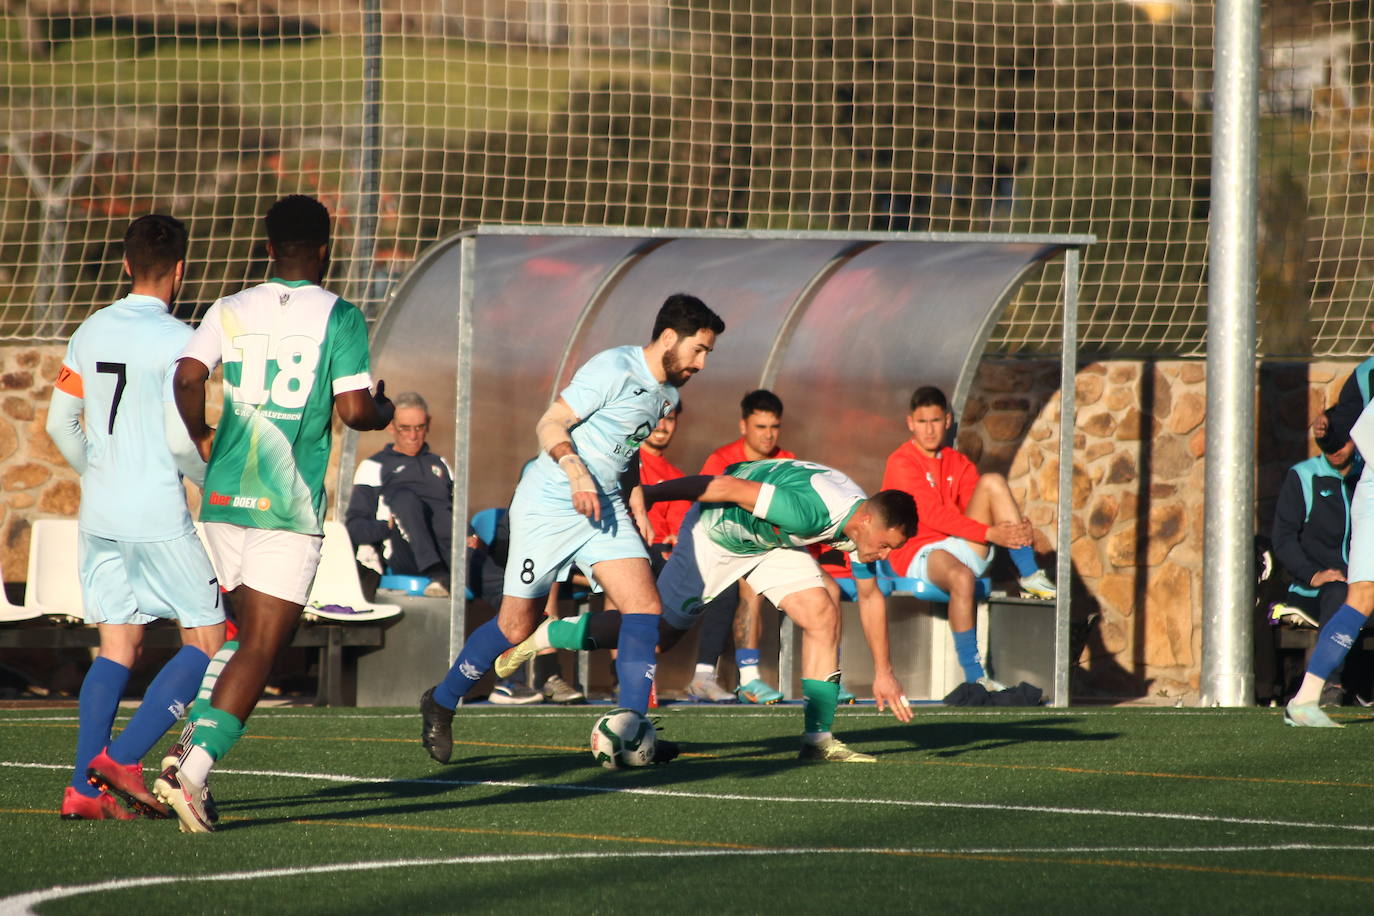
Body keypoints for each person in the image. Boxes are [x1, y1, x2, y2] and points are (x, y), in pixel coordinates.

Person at [156, 195, 394, 830]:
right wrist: (383, 410)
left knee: (241, 638)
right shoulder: (340, 315)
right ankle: (191, 773)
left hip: (223, 498)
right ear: (325, 251)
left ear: (267, 249)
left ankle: (185, 752)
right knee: (263, 646)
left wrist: (203, 434)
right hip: (284, 506)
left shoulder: (230, 307)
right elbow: (354, 411)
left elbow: (186, 377)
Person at [418, 293, 724, 765]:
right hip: (549, 504)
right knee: (516, 626)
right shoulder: (614, 368)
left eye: (707, 353)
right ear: (669, 337)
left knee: (645, 608)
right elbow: (551, 422)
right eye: (698, 349)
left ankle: (634, 729)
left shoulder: (668, 395)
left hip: (604, 508)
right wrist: (576, 471)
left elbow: (626, 451)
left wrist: (636, 497)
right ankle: (441, 702)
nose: (702, 363)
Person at [499, 458, 919, 761]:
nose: (884, 555)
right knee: (657, 636)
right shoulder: (811, 511)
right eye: (885, 545)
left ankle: (818, 741)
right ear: (867, 520)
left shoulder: (859, 526)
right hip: (716, 532)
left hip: (767, 543)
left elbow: (870, 597)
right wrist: (649, 494)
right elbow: (725, 487)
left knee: (823, 613)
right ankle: (547, 634)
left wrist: (883, 672)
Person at [46, 214, 230, 820]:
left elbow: (58, 424)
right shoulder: (182, 340)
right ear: (181, 269)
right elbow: (181, 442)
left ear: (126, 265)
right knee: (210, 639)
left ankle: (83, 791)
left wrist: (101, 474)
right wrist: (211, 484)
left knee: (117, 645)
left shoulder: (90, 329)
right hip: (155, 513)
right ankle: (123, 759)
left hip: (100, 511)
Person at [853, 385, 1055, 692]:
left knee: (993, 482)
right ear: (910, 423)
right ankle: (976, 677)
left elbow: (975, 507)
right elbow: (929, 515)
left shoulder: (957, 461)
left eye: (935, 421)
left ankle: (1029, 575)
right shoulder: (901, 461)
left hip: (959, 542)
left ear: (947, 420)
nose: (929, 429)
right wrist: (991, 533)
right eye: (922, 422)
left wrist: (1015, 529)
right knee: (961, 577)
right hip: (919, 551)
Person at [1284, 363, 1374, 726]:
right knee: (1362, 596)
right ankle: (1306, 700)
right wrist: (1330, 425)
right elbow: (1353, 424)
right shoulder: (1367, 373)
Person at [695, 389, 796, 704]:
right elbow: (704, 512)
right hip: (729, 549)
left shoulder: (788, 461)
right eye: (760, 427)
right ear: (743, 426)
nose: (768, 435)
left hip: (776, 548)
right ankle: (749, 679)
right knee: (750, 585)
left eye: (774, 427)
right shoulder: (721, 461)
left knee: (828, 588)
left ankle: (828, 677)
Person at [1271, 410, 1364, 705]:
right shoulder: (1303, 476)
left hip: (1362, 584)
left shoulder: (1367, 476)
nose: (1335, 450)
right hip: (1314, 590)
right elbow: (1283, 538)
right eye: (1328, 444)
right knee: (1338, 592)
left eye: (1342, 442)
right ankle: (1328, 684)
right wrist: (1313, 574)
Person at [346, 391, 454, 598]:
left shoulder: (441, 465)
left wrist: (471, 536)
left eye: (419, 427)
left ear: (428, 424)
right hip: (402, 552)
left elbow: (455, 514)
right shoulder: (374, 467)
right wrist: (387, 527)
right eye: (405, 428)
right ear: (391, 427)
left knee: (485, 559)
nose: (413, 436)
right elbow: (354, 528)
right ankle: (436, 573)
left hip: (446, 548)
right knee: (404, 500)